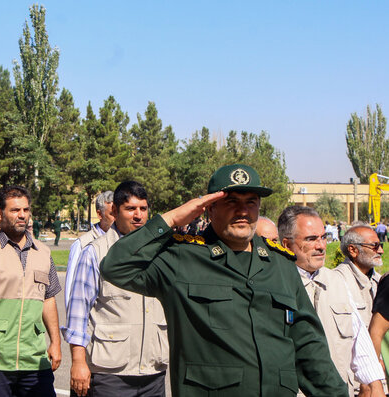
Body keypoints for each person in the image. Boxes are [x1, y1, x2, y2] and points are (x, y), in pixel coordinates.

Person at [100, 164, 348, 397]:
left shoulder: (281, 265)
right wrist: (173, 219)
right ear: (209, 208)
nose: (242, 211)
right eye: (231, 202)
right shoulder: (181, 259)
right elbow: (115, 266)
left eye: (251, 202)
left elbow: (309, 346)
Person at [63, 182, 168, 397]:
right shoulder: (96, 252)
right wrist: (78, 362)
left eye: (143, 209)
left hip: (153, 372)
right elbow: (78, 312)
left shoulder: (162, 253)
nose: (138, 216)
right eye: (130, 209)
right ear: (114, 211)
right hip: (110, 373)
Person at [0, 185, 62, 397]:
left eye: (25, 210)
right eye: (15, 210)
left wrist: (55, 342)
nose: (22, 215)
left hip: (32, 358)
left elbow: (48, 299)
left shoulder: (43, 253)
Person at [278, 206, 384, 397]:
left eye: (323, 237)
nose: (321, 246)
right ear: (286, 244)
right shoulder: (276, 284)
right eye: (311, 239)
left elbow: (358, 338)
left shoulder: (337, 281)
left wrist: (374, 383)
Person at [64, 191, 114, 307]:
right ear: (100, 214)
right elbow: (71, 293)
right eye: (112, 214)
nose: (117, 218)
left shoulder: (126, 241)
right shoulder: (83, 244)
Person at [334, 225, 382, 325]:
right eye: (375, 246)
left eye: (381, 245)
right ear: (353, 250)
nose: (381, 251)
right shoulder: (336, 281)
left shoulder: (380, 280)